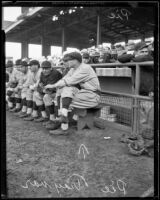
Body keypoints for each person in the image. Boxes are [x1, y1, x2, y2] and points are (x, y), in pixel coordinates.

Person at [45, 51, 101, 135]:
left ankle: (64, 127)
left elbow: (69, 81)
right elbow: (64, 79)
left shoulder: (85, 68)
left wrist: (53, 86)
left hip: (93, 95)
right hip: (83, 93)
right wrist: (55, 86)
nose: (66, 62)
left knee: (66, 95)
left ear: (76, 60)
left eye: (68, 60)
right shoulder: (72, 69)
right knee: (62, 91)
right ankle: (62, 117)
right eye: (65, 60)